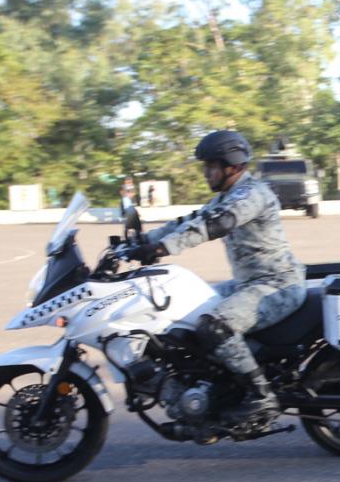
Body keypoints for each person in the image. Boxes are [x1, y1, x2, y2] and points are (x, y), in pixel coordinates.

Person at [116, 130, 306, 429]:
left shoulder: (251, 195)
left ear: (231, 165)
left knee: (215, 326)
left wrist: (162, 249)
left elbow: (216, 224)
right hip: (249, 282)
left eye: (211, 166)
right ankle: (216, 385)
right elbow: (189, 221)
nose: (207, 173)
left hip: (277, 285)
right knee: (184, 313)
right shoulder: (227, 196)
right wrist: (141, 241)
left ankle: (261, 396)